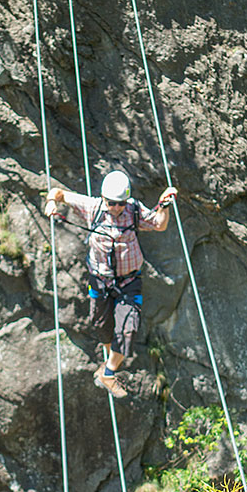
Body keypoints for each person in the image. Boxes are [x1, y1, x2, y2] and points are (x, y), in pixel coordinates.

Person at [45, 170, 177, 399]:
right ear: (104, 198)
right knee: (101, 325)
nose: (116, 208)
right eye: (111, 203)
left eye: (120, 203)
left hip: (130, 281)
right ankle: (109, 358)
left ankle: (108, 372)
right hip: (99, 279)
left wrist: (164, 206)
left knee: (127, 330)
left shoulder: (133, 210)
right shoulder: (93, 206)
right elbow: (58, 193)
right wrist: (50, 203)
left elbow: (159, 225)